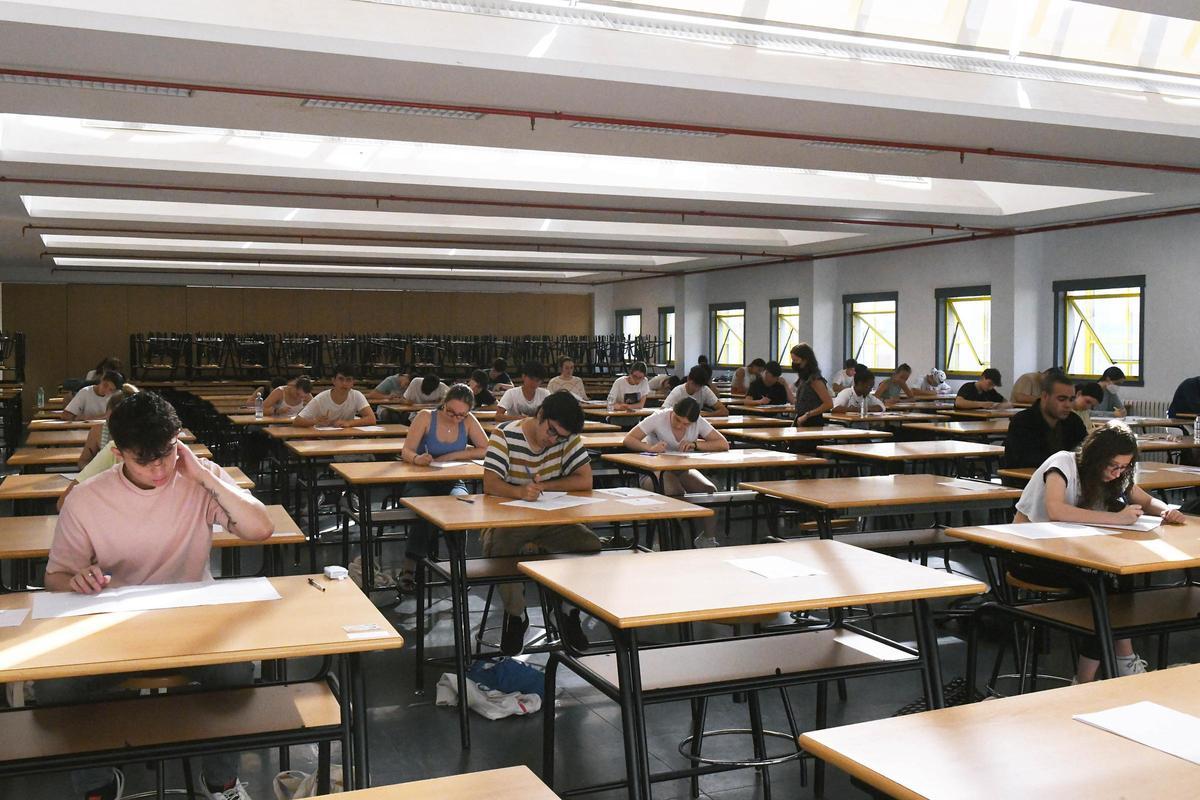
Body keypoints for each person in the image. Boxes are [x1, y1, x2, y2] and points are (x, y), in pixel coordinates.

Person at [41, 391, 273, 800]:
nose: (159, 468)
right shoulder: (86, 499)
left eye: (166, 453)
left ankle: (219, 780)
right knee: (55, 688)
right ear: (118, 453)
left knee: (237, 671)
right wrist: (77, 579)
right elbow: (55, 577)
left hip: (191, 624)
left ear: (177, 441)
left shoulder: (199, 479)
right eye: (143, 460)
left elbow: (260, 529)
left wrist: (203, 475)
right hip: (112, 628)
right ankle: (97, 784)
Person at [1012, 425, 1184, 683]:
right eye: (1113, 465)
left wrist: (1165, 510)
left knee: (1119, 576)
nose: (1117, 472)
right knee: (1102, 586)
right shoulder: (1063, 463)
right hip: (1031, 556)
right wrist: (1117, 519)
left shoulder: (1116, 476)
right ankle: (1099, 672)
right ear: (1095, 456)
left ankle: (1111, 663)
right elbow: (1056, 510)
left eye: (1124, 467)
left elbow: (1147, 501)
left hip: (1076, 556)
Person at [482, 392, 598, 656]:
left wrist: (544, 485)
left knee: (589, 545)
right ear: (541, 414)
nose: (553, 440)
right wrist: (519, 492)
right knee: (500, 549)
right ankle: (516, 616)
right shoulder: (504, 435)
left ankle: (567, 610)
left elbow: (585, 480)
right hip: (508, 520)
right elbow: (490, 483)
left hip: (550, 519)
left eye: (561, 437)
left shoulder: (567, 438)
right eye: (551, 431)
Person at [396, 384, 490, 593]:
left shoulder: (468, 420)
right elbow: (406, 450)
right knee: (426, 511)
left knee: (461, 507)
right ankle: (409, 567)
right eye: (451, 412)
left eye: (461, 415)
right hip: (420, 480)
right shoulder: (426, 417)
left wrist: (454, 455)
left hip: (452, 480)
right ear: (444, 403)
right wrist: (417, 458)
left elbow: (486, 448)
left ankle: (459, 565)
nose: (456, 418)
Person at [623, 397, 730, 546]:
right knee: (675, 492)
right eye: (677, 420)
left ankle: (707, 539)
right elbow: (629, 439)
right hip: (654, 471)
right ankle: (663, 542)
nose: (680, 425)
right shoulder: (658, 418)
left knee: (709, 491)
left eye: (686, 424)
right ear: (673, 411)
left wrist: (695, 444)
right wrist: (650, 448)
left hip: (681, 469)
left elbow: (723, 443)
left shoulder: (697, 421)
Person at [1002, 372, 1088, 468]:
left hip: (1065, 474)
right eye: (1061, 399)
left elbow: (1086, 451)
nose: (1068, 405)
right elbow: (1025, 460)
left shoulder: (1074, 421)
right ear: (1045, 396)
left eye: (1071, 400)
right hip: (1029, 476)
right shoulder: (1022, 421)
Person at [294, 364, 376, 428]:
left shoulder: (357, 395)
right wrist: (315, 421)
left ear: (353, 383)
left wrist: (349, 423)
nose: (344, 383)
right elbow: (297, 421)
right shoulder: (321, 398)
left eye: (348, 380)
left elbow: (371, 419)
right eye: (341, 379)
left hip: (347, 438)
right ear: (333, 381)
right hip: (323, 439)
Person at [790, 343, 833, 427]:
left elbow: (828, 404)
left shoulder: (815, 379)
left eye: (796, 360)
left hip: (812, 421)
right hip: (801, 418)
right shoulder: (803, 378)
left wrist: (807, 415)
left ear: (805, 360)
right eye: (793, 360)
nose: (794, 363)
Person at [662, 365, 728, 415]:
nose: (696, 389)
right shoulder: (678, 391)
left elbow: (724, 411)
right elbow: (663, 411)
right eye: (694, 384)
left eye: (699, 386)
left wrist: (707, 414)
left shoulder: (704, 389)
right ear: (688, 379)